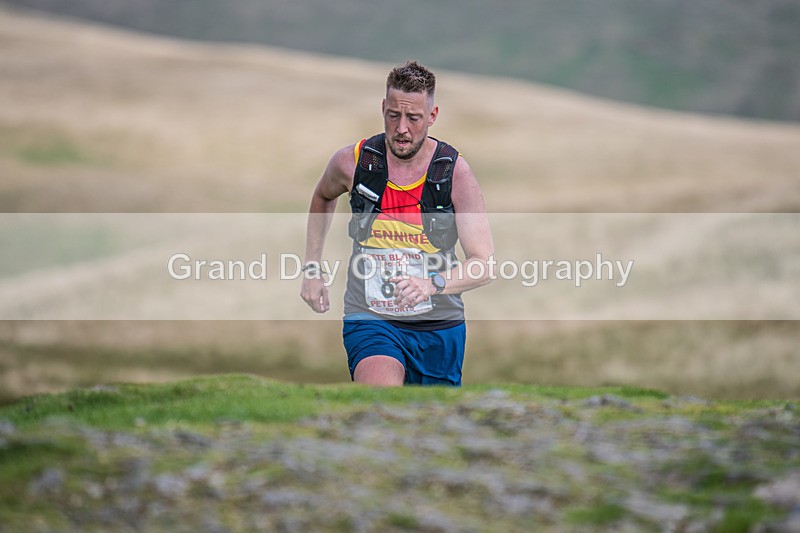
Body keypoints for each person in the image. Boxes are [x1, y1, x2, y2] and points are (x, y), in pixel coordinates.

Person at [300, 60, 493, 387]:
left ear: (431, 116)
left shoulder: (453, 172)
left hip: (439, 328)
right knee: (381, 401)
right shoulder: (354, 162)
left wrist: (430, 284)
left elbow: (484, 265)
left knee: (429, 426)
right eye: (393, 115)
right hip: (370, 318)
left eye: (414, 118)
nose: (402, 128)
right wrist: (312, 268)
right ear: (383, 108)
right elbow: (323, 197)